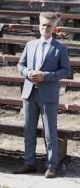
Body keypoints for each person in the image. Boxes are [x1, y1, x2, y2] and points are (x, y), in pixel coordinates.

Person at [15, 12, 71, 178]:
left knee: (49, 131)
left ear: (54, 28)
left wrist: (45, 76)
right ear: (39, 25)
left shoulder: (60, 48)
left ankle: (51, 165)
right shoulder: (30, 44)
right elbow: (20, 65)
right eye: (43, 25)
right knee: (29, 130)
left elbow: (66, 70)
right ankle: (29, 162)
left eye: (49, 26)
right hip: (29, 93)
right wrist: (28, 72)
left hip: (48, 95)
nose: (45, 28)